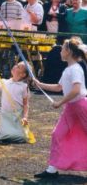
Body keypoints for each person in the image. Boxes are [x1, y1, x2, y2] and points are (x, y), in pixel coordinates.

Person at [33, 37, 87, 179]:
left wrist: (60, 103)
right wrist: (40, 84)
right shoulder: (68, 69)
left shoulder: (75, 69)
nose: (60, 51)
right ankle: (52, 170)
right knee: (57, 134)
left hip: (81, 106)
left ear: (68, 52)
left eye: (62, 49)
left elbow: (76, 90)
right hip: (71, 107)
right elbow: (58, 87)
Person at [0, 62, 30, 143]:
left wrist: (25, 117)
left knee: (20, 137)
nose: (15, 66)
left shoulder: (24, 87)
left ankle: (10, 133)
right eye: (16, 65)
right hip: (5, 115)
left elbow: (25, 104)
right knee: (6, 136)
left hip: (17, 115)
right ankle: (4, 133)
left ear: (23, 75)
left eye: (18, 67)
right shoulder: (4, 82)